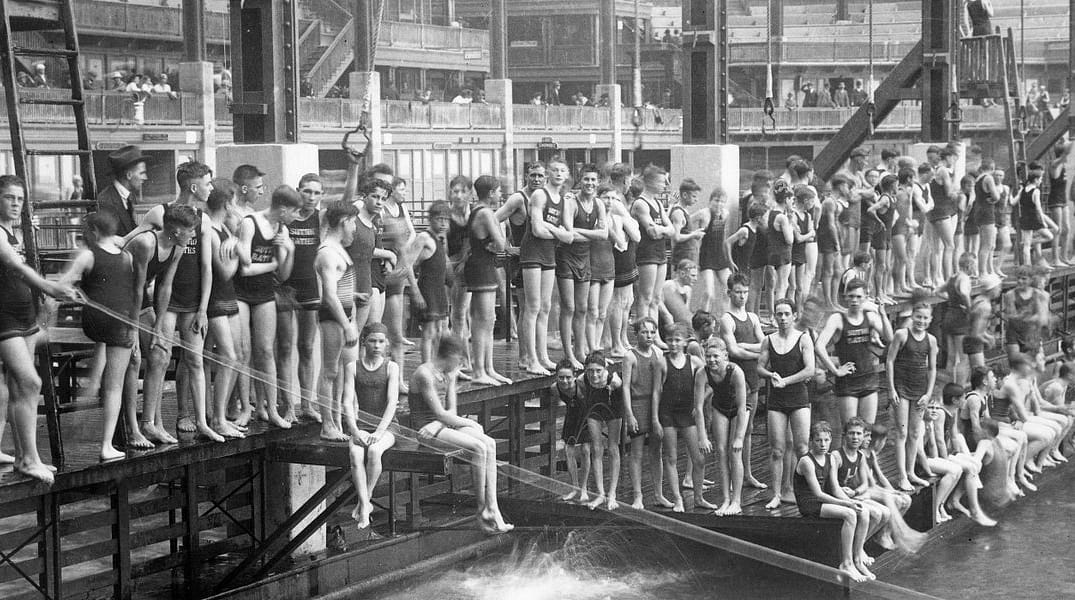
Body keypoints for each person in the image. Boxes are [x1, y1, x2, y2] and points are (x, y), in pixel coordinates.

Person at [134, 161, 222, 442]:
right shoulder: (160, 212)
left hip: (193, 299)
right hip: (167, 299)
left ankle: (202, 421)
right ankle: (154, 421)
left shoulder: (203, 219)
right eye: (208, 183)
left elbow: (207, 268)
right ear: (194, 186)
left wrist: (203, 309)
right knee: (159, 356)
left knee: (195, 359)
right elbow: (139, 245)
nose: (211, 188)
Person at [0, 175, 80, 482]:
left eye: (20, 199)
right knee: (30, 383)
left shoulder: (13, 232)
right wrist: (50, 285)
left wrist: (45, 298)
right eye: (9, 198)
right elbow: (15, 267)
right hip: (5, 319)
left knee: (22, 387)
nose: (16, 204)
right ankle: (30, 459)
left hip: (25, 316)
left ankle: (24, 457)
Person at [412, 334, 513, 534]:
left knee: (490, 444)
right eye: (460, 359)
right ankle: (481, 508)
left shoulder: (448, 373)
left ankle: (493, 507)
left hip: (440, 425)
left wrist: (440, 420)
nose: (462, 364)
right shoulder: (424, 374)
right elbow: (443, 413)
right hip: (424, 430)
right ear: (450, 356)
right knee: (478, 446)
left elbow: (451, 412)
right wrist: (469, 423)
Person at [59, 212, 137, 461]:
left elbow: (62, 284)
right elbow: (133, 293)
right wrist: (134, 328)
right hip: (120, 323)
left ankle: (93, 378)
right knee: (114, 385)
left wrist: (73, 291)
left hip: (94, 322)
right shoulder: (127, 257)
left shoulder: (87, 255)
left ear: (93, 231)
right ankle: (106, 444)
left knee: (104, 349)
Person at [123, 203, 197, 445]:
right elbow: (135, 288)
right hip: (117, 297)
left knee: (160, 354)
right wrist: (133, 330)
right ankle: (132, 429)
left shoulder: (176, 248)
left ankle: (150, 424)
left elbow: (165, 287)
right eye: (190, 230)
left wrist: (157, 328)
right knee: (133, 359)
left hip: (140, 299)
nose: (193, 235)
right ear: (176, 230)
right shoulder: (146, 243)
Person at [234, 186, 301, 430]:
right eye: (294, 212)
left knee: (265, 351)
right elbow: (244, 268)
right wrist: (273, 262)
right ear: (283, 209)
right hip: (241, 292)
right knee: (244, 351)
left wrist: (289, 250)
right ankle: (245, 409)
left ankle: (272, 409)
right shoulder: (250, 223)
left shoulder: (282, 229)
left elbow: (283, 275)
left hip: (264, 293)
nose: (296, 217)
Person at [793, 421, 874, 582]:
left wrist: (851, 501)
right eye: (818, 440)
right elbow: (818, 494)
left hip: (822, 501)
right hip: (810, 504)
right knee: (850, 514)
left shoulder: (830, 458)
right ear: (811, 441)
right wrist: (847, 504)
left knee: (862, 511)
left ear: (831, 440)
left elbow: (836, 488)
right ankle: (846, 563)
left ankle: (857, 559)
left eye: (826, 440)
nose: (823, 444)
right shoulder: (807, 461)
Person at [758, 298, 815, 509]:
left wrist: (785, 381)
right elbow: (759, 367)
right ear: (774, 316)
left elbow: (810, 369)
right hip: (777, 401)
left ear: (794, 316)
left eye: (786, 314)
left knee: (802, 448)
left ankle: (807, 492)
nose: (782, 318)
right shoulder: (768, 340)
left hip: (799, 398)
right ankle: (777, 493)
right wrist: (771, 374)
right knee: (777, 450)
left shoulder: (803, 339)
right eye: (779, 314)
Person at [276, 173, 324, 423]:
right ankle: (288, 406)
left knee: (306, 348)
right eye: (307, 191)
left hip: (309, 289)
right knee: (284, 348)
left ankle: (307, 403)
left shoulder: (321, 218)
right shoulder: (285, 220)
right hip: (284, 288)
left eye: (317, 193)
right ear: (298, 191)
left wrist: (354, 165)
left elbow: (349, 202)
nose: (311, 197)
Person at [518, 159, 573, 374]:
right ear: (548, 173)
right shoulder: (540, 195)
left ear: (567, 175)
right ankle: (530, 358)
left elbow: (569, 237)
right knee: (532, 307)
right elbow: (537, 230)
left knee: (546, 306)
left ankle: (542, 356)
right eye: (555, 170)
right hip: (532, 252)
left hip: (549, 253)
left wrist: (550, 226)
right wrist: (555, 229)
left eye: (562, 170)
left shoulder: (566, 202)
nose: (558, 173)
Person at [816, 278, 892, 426]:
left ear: (865, 298)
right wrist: (836, 371)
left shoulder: (870, 317)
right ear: (845, 297)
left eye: (858, 297)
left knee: (867, 431)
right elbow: (819, 346)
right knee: (850, 430)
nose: (854, 300)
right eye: (851, 296)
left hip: (868, 378)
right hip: (847, 382)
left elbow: (890, 338)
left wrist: (883, 315)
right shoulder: (837, 319)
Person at [655, 323, 714, 512]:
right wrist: (655, 419)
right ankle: (677, 498)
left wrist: (699, 402)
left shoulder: (695, 361)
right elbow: (657, 392)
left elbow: (710, 383)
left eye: (677, 340)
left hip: (688, 413)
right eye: (670, 340)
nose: (673, 344)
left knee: (699, 458)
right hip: (668, 413)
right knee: (671, 457)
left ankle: (698, 497)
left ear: (685, 342)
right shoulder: (661, 362)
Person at [347, 322, 400, 529]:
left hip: (387, 427)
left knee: (375, 451)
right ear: (364, 342)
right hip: (361, 425)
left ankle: (364, 502)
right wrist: (354, 430)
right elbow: (347, 402)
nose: (377, 345)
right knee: (355, 454)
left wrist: (379, 432)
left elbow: (392, 402)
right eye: (372, 341)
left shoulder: (391, 367)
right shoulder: (353, 367)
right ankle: (365, 504)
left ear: (386, 344)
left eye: (381, 341)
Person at [204, 180, 245, 439]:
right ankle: (218, 418)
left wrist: (237, 243)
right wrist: (238, 252)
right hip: (217, 299)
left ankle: (221, 415)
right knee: (228, 357)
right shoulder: (210, 231)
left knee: (237, 355)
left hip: (229, 299)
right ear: (228, 203)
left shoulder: (225, 230)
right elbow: (225, 272)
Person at [316, 201, 360, 441]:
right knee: (330, 372)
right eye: (353, 222)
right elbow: (330, 295)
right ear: (344, 221)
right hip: (334, 319)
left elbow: (341, 288)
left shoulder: (338, 248)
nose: (355, 228)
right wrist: (346, 324)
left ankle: (345, 420)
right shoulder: (327, 252)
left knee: (349, 372)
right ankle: (328, 425)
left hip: (345, 316)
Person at [720, 273, 767, 489]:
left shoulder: (753, 317)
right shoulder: (727, 319)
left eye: (745, 292)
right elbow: (732, 350)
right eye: (738, 292)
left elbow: (765, 344)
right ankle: (731, 475)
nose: (742, 296)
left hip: (753, 377)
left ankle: (747, 473)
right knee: (735, 430)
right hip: (736, 379)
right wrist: (756, 352)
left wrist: (745, 347)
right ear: (729, 293)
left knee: (747, 430)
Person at [557, 164, 606, 369]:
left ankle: (580, 350)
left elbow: (604, 234)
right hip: (567, 258)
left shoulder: (599, 204)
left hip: (584, 258)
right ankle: (569, 353)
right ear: (580, 180)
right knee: (569, 307)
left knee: (583, 308)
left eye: (593, 180)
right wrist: (587, 233)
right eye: (586, 179)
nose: (590, 183)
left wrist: (578, 232)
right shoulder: (571, 201)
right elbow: (568, 236)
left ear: (598, 182)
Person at [886, 302, 939, 491]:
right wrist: (891, 389)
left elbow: (932, 368)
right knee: (902, 432)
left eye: (925, 318)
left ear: (930, 320)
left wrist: (928, 393)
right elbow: (890, 361)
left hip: (919, 389)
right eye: (918, 316)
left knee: (915, 433)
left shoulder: (931, 340)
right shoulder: (902, 334)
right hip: (902, 388)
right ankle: (901, 476)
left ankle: (910, 472)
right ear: (912, 316)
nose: (921, 321)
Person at [466, 175, 511, 385]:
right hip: (480, 268)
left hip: (486, 265)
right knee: (481, 321)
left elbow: (500, 244)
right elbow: (502, 244)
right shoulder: (484, 213)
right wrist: (498, 240)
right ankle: (478, 371)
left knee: (490, 320)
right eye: (499, 191)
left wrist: (497, 241)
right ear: (491, 192)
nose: (501, 195)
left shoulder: (485, 212)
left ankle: (489, 367)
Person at [621, 316, 670, 509]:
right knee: (637, 452)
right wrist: (630, 414)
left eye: (652, 332)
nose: (649, 336)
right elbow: (625, 387)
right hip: (638, 403)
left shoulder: (658, 353)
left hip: (655, 404)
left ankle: (658, 493)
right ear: (636, 334)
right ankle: (638, 495)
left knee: (656, 451)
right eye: (644, 332)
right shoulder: (630, 356)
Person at [700, 338, 749, 515]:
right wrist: (702, 436)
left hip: (739, 408)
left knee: (734, 451)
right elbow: (698, 408)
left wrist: (739, 437)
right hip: (720, 407)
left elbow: (743, 406)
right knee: (721, 452)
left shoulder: (736, 372)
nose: (712, 360)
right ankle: (726, 499)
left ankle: (736, 501)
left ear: (725, 356)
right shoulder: (702, 373)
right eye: (708, 356)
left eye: (716, 356)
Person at [829, 418, 891, 552]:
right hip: (835, 497)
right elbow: (831, 486)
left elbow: (864, 484)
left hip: (851, 495)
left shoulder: (860, 455)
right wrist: (848, 498)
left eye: (858, 434)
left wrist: (855, 493)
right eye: (851, 433)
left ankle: (859, 546)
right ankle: (856, 551)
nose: (855, 437)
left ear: (863, 436)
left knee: (885, 513)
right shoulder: (836, 455)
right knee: (872, 512)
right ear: (845, 435)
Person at [632, 165, 676, 346]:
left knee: (656, 298)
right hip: (647, 253)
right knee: (645, 297)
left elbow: (672, 230)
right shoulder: (641, 203)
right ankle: (642, 334)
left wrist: (662, 230)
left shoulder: (657, 203)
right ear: (649, 182)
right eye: (661, 181)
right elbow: (651, 232)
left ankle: (655, 336)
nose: (665, 185)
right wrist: (662, 230)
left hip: (660, 253)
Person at [380, 176, 418, 381]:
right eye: (401, 189)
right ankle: (379, 377)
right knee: (377, 333)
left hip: (397, 273)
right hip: (382, 273)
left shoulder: (401, 210)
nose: (404, 193)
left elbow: (410, 235)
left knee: (396, 333)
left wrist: (404, 247)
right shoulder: (381, 211)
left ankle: (399, 379)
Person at [580, 350, 625, 511]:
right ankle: (600, 493)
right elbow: (578, 388)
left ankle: (612, 494)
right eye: (590, 371)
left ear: (604, 368)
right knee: (596, 448)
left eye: (598, 370)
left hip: (614, 407)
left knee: (613, 448)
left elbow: (624, 396)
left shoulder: (614, 381)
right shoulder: (583, 378)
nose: (594, 375)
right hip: (595, 408)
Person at [410, 201, 451, 363]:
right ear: (430, 219)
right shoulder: (423, 237)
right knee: (429, 332)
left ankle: (436, 364)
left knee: (440, 331)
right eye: (439, 219)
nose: (443, 223)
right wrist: (415, 292)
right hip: (427, 290)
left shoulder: (439, 239)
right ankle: (426, 367)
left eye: (446, 220)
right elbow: (408, 265)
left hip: (439, 290)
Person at [550, 359, 591, 503]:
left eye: (568, 377)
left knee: (586, 450)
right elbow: (558, 404)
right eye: (561, 377)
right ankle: (575, 487)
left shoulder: (582, 385)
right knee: (569, 450)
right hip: (572, 415)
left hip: (586, 415)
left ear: (574, 376)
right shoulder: (555, 388)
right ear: (556, 377)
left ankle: (584, 487)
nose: (565, 381)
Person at [589, 183, 619, 354]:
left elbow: (620, 243)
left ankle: (596, 345)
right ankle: (590, 345)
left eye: (613, 198)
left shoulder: (614, 219)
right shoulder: (592, 218)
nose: (609, 201)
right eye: (606, 197)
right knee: (592, 312)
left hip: (609, 267)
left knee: (602, 312)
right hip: (593, 267)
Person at [693, 188, 733, 315]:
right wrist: (692, 234)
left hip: (720, 256)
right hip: (706, 257)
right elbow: (686, 221)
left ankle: (725, 319)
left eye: (722, 201)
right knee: (709, 293)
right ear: (710, 201)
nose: (719, 204)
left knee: (729, 289)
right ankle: (702, 320)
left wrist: (729, 258)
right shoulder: (704, 213)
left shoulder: (725, 213)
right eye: (716, 201)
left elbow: (723, 236)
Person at [97, 145, 150, 237]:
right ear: (129, 175)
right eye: (142, 173)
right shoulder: (105, 202)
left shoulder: (128, 197)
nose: (145, 178)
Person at [942, 252, 975, 384]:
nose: (975, 269)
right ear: (969, 265)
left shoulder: (952, 277)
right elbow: (964, 292)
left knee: (951, 356)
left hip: (949, 315)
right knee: (963, 358)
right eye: (974, 265)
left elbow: (937, 291)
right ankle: (959, 388)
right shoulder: (964, 278)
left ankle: (949, 387)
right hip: (960, 319)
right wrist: (969, 309)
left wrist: (951, 301)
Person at [1016, 166, 1054, 266]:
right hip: (1034, 219)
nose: (1041, 181)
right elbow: (1038, 208)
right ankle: (1031, 242)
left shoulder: (1023, 190)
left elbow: (1013, 202)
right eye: (1040, 179)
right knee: (1050, 236)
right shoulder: (1036, 191)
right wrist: (1043, 222)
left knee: (1026, 246)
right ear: (1036, 179)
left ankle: (1027, 266)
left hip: (1025, 218)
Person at [789, 184, 818, 308]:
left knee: (800, 286)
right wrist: (809, 233)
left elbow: (810, 235)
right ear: (805, 201)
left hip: (801, 254)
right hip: (791, 253)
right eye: (812, 201)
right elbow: (799, 238)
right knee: (792, 286)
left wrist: (808, 234)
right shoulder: (793, 215)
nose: (813, 204)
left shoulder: (808, 215)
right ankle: (790, 309)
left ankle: (799, 311)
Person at [669, 178, 705, 265]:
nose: (696, 200)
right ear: (685, 195)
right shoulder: (678, 212)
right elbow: (676, 237)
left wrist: (694, 233)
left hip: (689, 256)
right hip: (683, 257)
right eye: (694, 196)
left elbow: (684, 231)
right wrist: (693, 234)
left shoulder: (684, 210)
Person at [817, 189, 843, 309]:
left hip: (835, 237)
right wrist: (836, 242)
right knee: (828, 271)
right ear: (841, 186)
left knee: (838, 271)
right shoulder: (829, 202)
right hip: (827, 238)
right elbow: (831, 224)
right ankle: (828, 302)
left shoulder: (836, 201)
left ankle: (835, 300)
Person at [1048, 143, 1070, 266]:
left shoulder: (1065, 164)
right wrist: (1064, 154)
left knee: (1067, 229)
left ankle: (1064, 256)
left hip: (1063, 199)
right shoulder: (1055, 163)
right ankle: (1055, 259)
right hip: (1055, 199)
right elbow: (1055, 175)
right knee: (1058, 229)